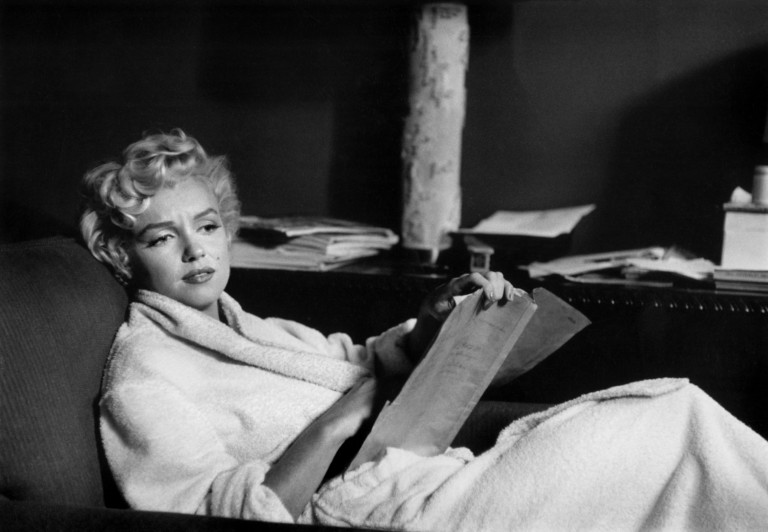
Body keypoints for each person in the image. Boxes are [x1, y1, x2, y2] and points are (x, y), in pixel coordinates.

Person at [81, 130, 768, 531]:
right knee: (672, 423)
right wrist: (336, 423)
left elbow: (355, 359)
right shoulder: (143, 381)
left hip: (424, 478)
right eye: (162, 238)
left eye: (206, 226)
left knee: (681, 420)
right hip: (372, 515)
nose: (196, 250)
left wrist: (434, 323)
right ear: (119, 253)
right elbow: (209, 518)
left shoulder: (250, 328)